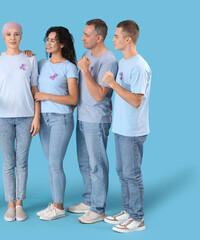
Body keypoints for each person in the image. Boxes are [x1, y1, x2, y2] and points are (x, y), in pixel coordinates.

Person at [0, 21, 40, 222]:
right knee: (8, 162)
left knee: (22, 162)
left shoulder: (30, 59)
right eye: (8, 34)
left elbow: (35, 90)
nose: (12, 37)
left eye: (16, 34)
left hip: (26, 116)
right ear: (3, 37)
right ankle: (10, 203)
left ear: (21, 36)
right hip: (3, 117)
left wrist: (37, 116)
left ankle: (20, 203)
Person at [102, 20, 151, 233]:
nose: (113, 39)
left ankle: (138, 218)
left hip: (133, 130)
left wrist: (113, 84)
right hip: (120, 128)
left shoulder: (140, 66)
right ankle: (128, 210)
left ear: (128, 39)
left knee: (132, 174)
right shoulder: (123, 62)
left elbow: (136, 100)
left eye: (116, 36)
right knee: (122, 172)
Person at [67, 19, 118, 224]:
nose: (82, 38)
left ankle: (98, 209)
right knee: (85, 163)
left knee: (97, 165)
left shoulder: (110, 61)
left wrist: (86, 71)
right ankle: (88, 200)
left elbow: (99, 95)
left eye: (86, 35)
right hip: (81, 116)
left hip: (97, 120)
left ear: (99, 37)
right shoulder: (87, 55)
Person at [33, 26, 78, 221]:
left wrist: (46, 96)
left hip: (62, 119)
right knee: (51, 165)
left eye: (53, 40)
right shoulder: (41, 64)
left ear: (62, 44)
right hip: (44, 119)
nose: (48, 43)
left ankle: (59, 207)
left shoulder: (69, 67)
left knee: (55, 163)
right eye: (47, 39)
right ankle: (55, 203)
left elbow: (73, 99)